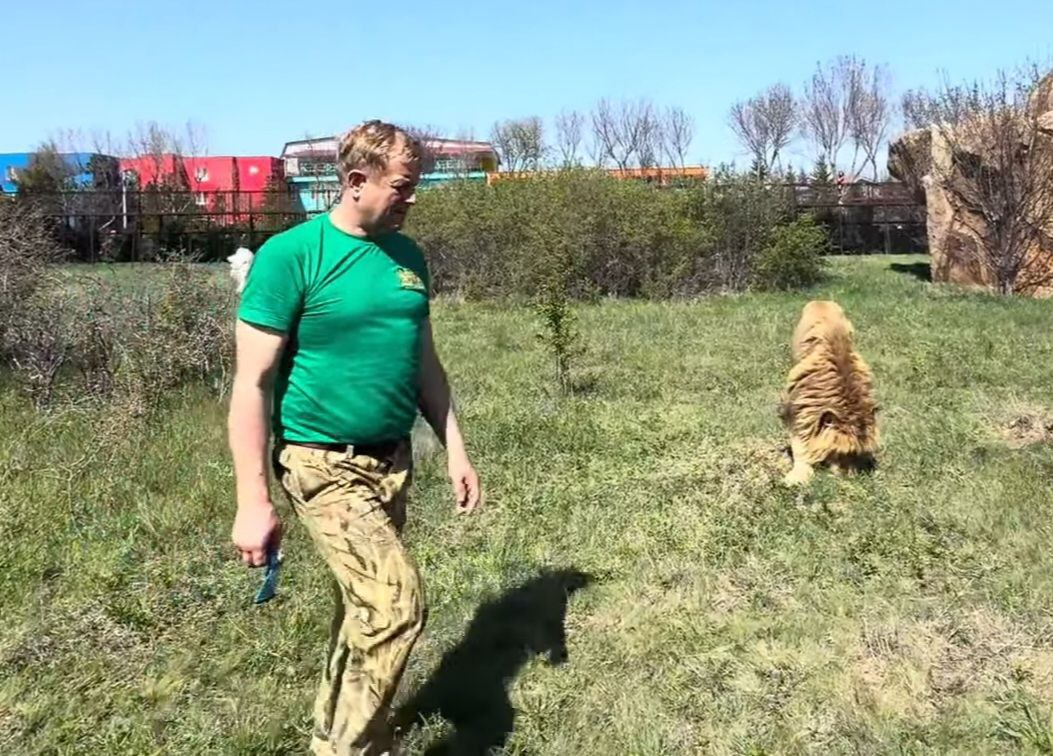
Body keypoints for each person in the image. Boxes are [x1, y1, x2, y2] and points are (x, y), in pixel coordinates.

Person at [227, 120, 482, 755]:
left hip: (391, 462)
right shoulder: (293, 255)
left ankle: (331, 731)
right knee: (396, 607)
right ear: (357, 181)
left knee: (364, 613)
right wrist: (253, 501)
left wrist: (454, 447)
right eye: (403, 186)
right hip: (321, 463)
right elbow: (252, 384)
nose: (412, 197)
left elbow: (424, 363)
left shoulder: (408, 258)